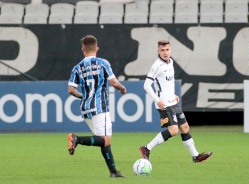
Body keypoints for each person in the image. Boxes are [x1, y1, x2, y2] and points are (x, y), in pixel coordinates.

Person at [139, 40, 212, 163]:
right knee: (173, 130)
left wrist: (173, 95)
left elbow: (167, 82)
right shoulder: (157, 65)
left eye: (167, 49)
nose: (165, 52)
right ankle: (146, 148)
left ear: (170, 50)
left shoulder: (171, 62)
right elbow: (146, 85)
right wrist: (158, 100)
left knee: (185, 127)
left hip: (172, 102)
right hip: (164, 105)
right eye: (162, 50)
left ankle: (195, 156)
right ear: (158, 51)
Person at [67, 35, 126, 178]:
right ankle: (77, 139)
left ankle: (113, 172)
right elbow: (114, 83)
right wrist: (122, 89)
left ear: (83, 49)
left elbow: (71, 90)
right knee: (105, 140)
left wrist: (83, 96)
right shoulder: (102, 63)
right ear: (97, 48)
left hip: (85, 108)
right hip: (100, 107)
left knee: (103, 140)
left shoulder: (77, 67)